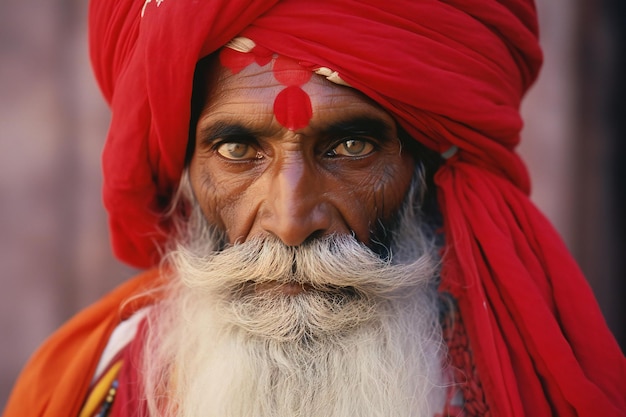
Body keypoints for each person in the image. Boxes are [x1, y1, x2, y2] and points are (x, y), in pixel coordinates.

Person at [4, 0, 625, 416]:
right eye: (238, 149)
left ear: (424, 168)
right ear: (184, 169)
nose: (291, 218)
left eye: (351, 146)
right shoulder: (89, 386)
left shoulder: (517, 383)